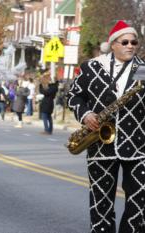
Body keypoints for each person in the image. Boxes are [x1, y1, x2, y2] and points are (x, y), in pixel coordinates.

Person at [67, 20, 145, 233]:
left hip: (137, 145)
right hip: (100, 144)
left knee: (140, 199)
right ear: (113, 44)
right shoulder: (91, 67)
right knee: (101, 201)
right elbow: (74, 96)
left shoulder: (143, 70)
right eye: (125, 41)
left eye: (134, 42)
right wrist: (85, 115)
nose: (130, 45)